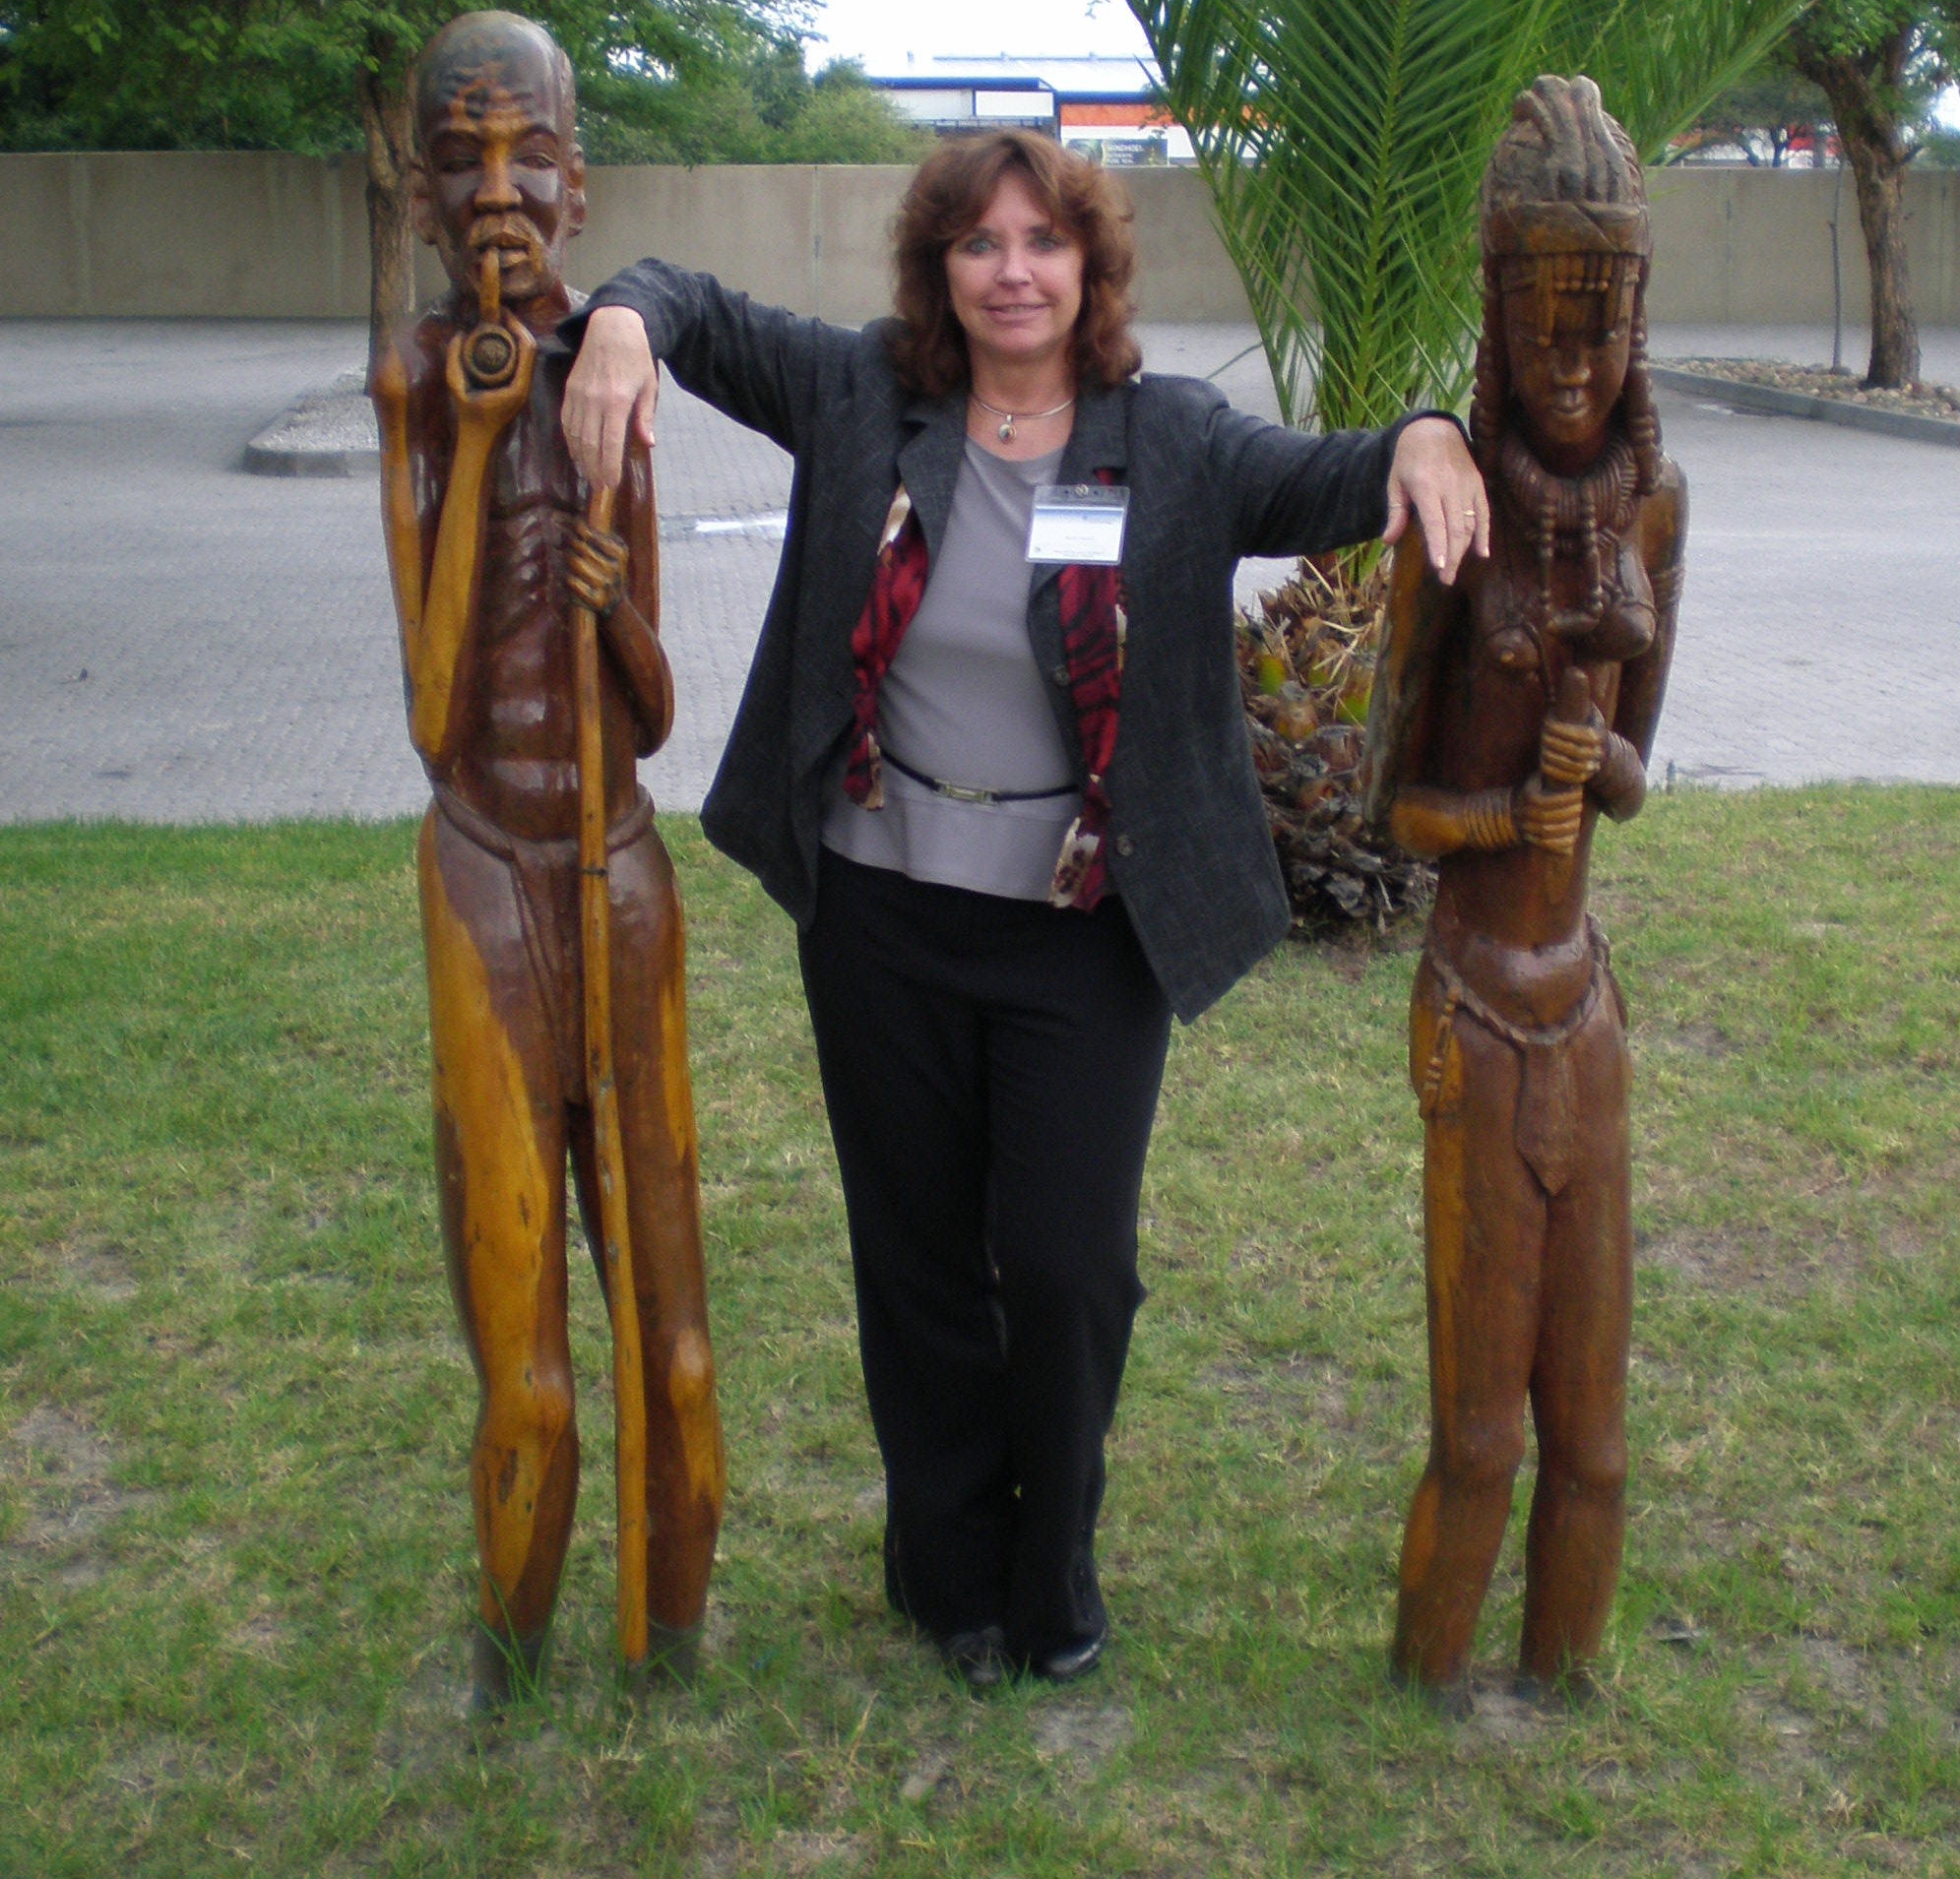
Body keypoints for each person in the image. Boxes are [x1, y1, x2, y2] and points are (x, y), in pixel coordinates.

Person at [559, 129, 1488, 1690]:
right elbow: (689, 304)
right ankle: (947, 1576)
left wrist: (1432, 433)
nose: (1011, 272)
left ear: (1090, 267)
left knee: (1066, 1268)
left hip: (1082, 923)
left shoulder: (1169, 439)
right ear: (938, 267)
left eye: (1042, 242)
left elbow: (1333, 472)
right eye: (979, 243)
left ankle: (1051, 1564)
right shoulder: (864, 396)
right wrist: (621, 326)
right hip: (882, 912)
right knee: (916, 1258)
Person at [371, 11, 725, 1706]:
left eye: (530, 161)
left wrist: (612, 609)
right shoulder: (415, 382)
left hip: (620, 868)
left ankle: (676, 1633)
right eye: (464, 161)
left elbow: (652, 709)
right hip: (488, 867)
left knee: (676, 1344)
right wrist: (477, 441)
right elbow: (433, 708)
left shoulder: (611, 374)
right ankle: (511, 1646)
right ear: (422, 192)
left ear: (580, 187)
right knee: (525, 1374)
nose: (499, 197)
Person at [1361, 75, 1685, 1702]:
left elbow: (1638, 774)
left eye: (1602, 324)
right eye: (1546, 323)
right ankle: (1429, 1679)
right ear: (1497, 313)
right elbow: (1390, 803)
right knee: (1484, 1430)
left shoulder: (1655, 513)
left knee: (1598, 1440)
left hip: (1585, 1009)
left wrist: (1598, 754)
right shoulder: (1457, 517)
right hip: (1479, 1007)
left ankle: (1566, 1674)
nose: (1574, 360)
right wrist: (1503, 811)